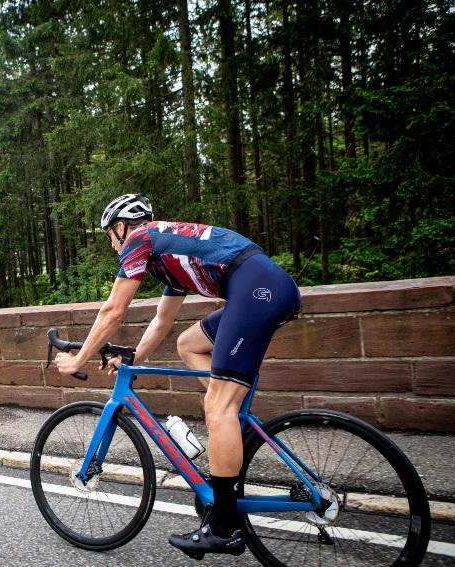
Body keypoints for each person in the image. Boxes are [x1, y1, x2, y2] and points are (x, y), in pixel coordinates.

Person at [54, 193, 300, 557]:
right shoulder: (170, 258)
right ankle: (233, 426)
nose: (112, 243)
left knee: (218, 408)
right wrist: (132, 358)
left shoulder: (140, 239)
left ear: (121, 227)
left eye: (110, 235)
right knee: (189, 344)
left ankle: (224, 528)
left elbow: (113, 311)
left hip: (257, 289)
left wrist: (79, 360)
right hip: (266, 286)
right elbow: (162, 321)